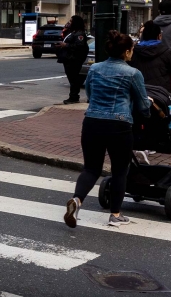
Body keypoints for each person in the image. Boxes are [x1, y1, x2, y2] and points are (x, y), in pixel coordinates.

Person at [64, 31, 151, 228]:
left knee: (91, 168)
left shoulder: (94, 68)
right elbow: (144, 106)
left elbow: (90, 93)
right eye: (132, 50)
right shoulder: (133, 73)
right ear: (127, 52)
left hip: (92, 122)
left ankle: (77, 201)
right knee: (120, 171)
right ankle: (115, 214)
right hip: (119, 125)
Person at [56, 15, 90, 105]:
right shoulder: (73, 32)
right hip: (68, 58)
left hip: (74, 59)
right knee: (72, 79)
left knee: (74, 79)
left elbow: (79, 46)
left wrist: (65, 45)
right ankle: (73, 96)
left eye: (71, 21)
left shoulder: (79, 34)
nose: (69, 23)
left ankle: (74, 96)